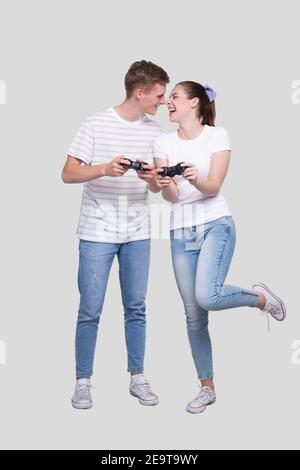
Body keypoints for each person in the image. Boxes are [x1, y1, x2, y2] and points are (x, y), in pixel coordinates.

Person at [154, 81, 286, 414]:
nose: (167, 102)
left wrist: (194, 176)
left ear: (194, 103)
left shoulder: (217, 136)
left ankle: (260, 299)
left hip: (217, 225)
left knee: (207, 296)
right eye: (167, 98)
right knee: (193, 317)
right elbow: (170, 197)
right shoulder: (162, 141)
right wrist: (166, 182)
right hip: (180, 231)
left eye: (174, 97)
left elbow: (212, 187)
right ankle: (207, 388)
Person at [61, 60, 169, 409]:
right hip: (97, 232)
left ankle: (137, 377)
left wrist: (152, 178)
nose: (161, 103)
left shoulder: (154, 132)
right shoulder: (95, 123)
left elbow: (158, 190)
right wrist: (105, 168)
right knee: (90, 309)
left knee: (136, 306)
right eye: (158, 95)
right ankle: (82, 381)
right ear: (140, 92)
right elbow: (67, 173)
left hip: (138, 232)